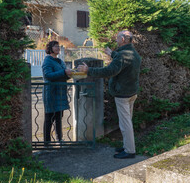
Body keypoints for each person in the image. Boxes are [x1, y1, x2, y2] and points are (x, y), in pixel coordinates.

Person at [77, 30, 141, 159]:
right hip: (132, 93)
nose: (116, 40)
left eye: (117, 38)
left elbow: (109, 71)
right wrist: (112, 54)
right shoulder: (133, 53)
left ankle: (129, 151)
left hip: (122, 94)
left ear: (123, 39)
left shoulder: (122, 55)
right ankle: (127, 146)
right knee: (127, 122)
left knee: (125, 124)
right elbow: (123, 61)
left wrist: (88, 70)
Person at [42, 41, 72, 143]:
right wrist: (64, 72)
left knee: (59, 117)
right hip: (51, 92)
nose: (57, 48)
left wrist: (69, 74)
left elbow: (62, 76)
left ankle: (59, 139)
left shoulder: (60, 61)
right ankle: (47, 142)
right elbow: (48, 75)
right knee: (49, 118)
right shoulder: (47, 61)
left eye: (58, 46)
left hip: (60, 93)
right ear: (50, 48)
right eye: (55, 46)